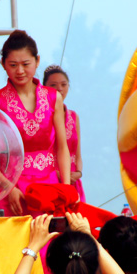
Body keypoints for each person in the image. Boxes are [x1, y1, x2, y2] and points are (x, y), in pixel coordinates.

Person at [0, 30, 70, 217]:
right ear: (3, 64)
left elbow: (62, 147)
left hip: (49, 189)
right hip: (11, 191)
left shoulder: (53, 98)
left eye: (25, 64)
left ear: (37, 61)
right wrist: (9, 188)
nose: (20, 71)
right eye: (13, 65)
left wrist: (66, 189)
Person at [43, 65, 84, 201]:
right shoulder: (42, 116)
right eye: (53, 85)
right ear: (44, 88)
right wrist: (59, 174)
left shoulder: (73, 116)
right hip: (50, 178)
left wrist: (78, 173)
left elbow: (77, 153)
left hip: (73, 180)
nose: (59, 88)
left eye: (63, 84)